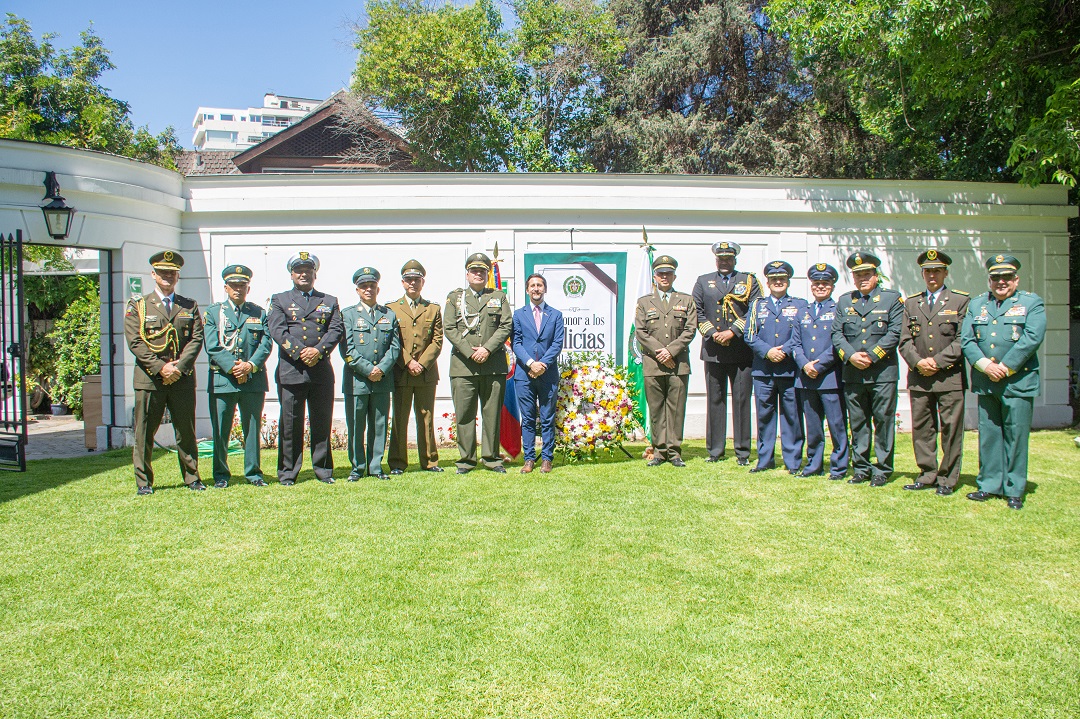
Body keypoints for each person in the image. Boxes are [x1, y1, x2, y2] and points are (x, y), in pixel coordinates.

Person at [961, 254, 1046, 510]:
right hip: (987, 380)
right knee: (989, 434)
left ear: (1015, 279)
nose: (1001, 282)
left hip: (1017, 381)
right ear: (989, 280)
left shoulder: (1032, 303)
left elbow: (1032, 337)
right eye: (995, 278)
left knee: (1016, 435)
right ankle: (988, 485)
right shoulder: (977, 305)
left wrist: (1006, 367)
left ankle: (1014, 489)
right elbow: (967, 340)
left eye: (1006, 277)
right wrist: (986, 365)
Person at [124, 251, 205, 494]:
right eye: (162, 272)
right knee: (144, 432)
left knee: (186, 432)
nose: (167, 276)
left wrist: (178, 368)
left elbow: (196, 339)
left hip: (181, 379)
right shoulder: (138, 306)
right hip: (150, 380)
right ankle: (144, 482)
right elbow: (135, 342)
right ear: (153, 275)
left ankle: (192, 478)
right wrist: (161, 368)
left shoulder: (189, 305)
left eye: (171, 273)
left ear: (177, 275)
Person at [267, 252, 343, 485]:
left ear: (314, 274)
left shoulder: (329, 300)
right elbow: (278, 331)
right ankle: (288, 472)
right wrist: (301, 351)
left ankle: (323, 470)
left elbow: (336, 329)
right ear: (291, 274)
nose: (303, 274)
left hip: (320, 371)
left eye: (308, 270)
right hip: (292, 370)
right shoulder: (279, 300)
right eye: (299, 270)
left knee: (322, 422)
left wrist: (318, 351)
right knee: (290, 424)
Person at [898, 250, 969, 496]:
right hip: (920, 378)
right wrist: (918, 363)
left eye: (937, 270)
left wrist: (936, 362)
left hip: (949, 377)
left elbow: (962, 341)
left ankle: (948, 478)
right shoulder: (911, 303)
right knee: (922, 428)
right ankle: (927, 474)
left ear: (945, 272)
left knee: (951, 430)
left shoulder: (960, 301)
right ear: (922, 273)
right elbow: (904, 341)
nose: (932, 275)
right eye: (928, 271)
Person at [831, 251, 904, 487]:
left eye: (867, 274)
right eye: (858, 274)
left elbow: (895, 332)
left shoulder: (891, 299)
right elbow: (836, 333)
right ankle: (861, 468)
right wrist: (851, 356)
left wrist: (872, 356)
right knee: (859, 422)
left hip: (882, 373)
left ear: (875, 275)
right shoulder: (844, 301)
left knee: (883, 421)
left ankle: (882, 469)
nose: (862, 278)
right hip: (853, 373)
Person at [203, 265, 272, 488]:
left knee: (252, 428)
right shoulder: (214, 313)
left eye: (242, 285)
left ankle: (253, 473)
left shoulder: (259, 312)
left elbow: (266, 343)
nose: (238, 289)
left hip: (253, 380)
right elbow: (212, 346)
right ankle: (221, 475)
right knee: (221, 430)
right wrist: (235, 368)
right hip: (223, 380)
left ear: (248, 288)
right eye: (234, 286)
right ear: (226, 287)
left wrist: (250, 366)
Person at [692, 241, 760, 466]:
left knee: (741, 401)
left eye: (728, 258)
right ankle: (715, 450)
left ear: (735, 259)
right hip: (713, 351)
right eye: (721, 258)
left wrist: (733, 332)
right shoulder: (703, 281)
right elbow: (697, 312)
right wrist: (712, 333)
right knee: (715, 400)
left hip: (741, 352)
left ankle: (742, 451)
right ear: (715, 259)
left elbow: (755, 310)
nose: (724, 261)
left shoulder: (748, 281)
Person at [444, 253, 513, 474]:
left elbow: (506, 325)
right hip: (463, 366)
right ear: (467, 274)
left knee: (491, 413)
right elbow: (449, 328)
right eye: (474, 271)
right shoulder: (455, 298)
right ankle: (466, 460)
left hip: (493, 365)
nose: (478, 274)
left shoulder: (498, 296)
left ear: (487, 274)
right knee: (464, 414)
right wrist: (470, 352)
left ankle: (492, 458)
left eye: (482, 271)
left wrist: (486, 349)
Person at [636, 255, 698, 467]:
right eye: (661, 274)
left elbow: (690, 330)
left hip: (678, 364)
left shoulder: (686, 300)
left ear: (674, 276)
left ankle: (675, 451)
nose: (664, 277)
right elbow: (641, 332)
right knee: (656, 409)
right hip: (653, 364)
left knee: (676, 408)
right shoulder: (644, 302)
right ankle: (660, 451)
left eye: (668, 274)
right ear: (655, 276)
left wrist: (670, 352)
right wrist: (660, 352)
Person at [340, 267, 401, 480]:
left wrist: (381, 369)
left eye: (372, 286)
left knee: (379, 425)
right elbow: (346, 349)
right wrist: (368, 370)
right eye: (364, 286)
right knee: (356, 426)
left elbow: (394, 348)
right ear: (357, 290)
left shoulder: (388, 314)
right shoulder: (347, 315)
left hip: (382, 381)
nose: (368, 290)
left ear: (378, 288)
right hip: (357, 381)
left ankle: (375, 467)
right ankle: (357, 468)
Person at [746, 261, 807, 473]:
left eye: (782, 279)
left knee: (792, 415)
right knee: (764, 415)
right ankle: (765, 460)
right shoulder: (756, 305)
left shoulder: (800, 305)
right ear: (768, 282)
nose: (778, 282)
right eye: (774, 279)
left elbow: (802, 334)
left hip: (789, 369)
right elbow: (749, 334)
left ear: (788, 281)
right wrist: (768, 351)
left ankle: (792, 461)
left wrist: (784, 350)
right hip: (763, 370)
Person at [387, 260, 444, 475]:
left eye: (416, 280)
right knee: (400, 418)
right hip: (401, 372)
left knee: (426, 417)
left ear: (423, 282)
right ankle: (398, 463)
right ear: (402, 282)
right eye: (409, 280)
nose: (413, 283)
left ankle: (430, 462)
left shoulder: (433, 309)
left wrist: (421, 363)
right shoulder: (391, 309)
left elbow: (437, 341)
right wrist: (408, 361)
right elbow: (391, 340)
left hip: (426, 373)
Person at [792, 263, 848, 479]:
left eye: (825, 283)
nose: (820, 287)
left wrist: (819, 365)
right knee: (813, 426)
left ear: (832, 286)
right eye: (816, 284)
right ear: (811, 286)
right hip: (806, 378)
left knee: (836, 425)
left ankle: (839, 467)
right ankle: (814, 465)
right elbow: (795, 343)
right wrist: (805, 364)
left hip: (830, 378)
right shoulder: (803, 311)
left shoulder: (839, 310)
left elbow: (839, 344)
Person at [512, 273, 565, 474]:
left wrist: (541, 364)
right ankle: (528, 459)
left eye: (540, 285)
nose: (536, 289)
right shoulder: (518, 314)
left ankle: (547, 459)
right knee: (527, 418)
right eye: (532, 285)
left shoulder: (556, 315)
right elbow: (516, 342)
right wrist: (531, 363)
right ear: (527, 290)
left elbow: (557, 343)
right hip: (524, 375)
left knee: (547, 417)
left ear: (545, 289)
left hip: (548, 374)